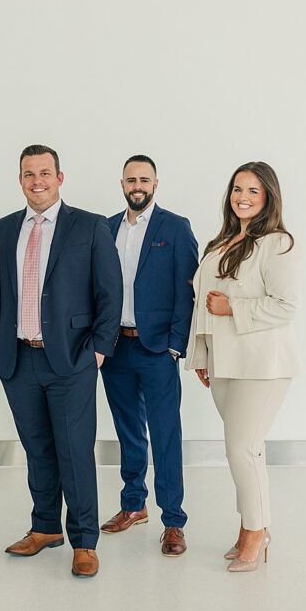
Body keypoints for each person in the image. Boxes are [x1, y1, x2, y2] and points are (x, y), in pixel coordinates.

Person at [0, 144, 122, 578]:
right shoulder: (3, 229)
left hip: (72, 359)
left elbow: (110, 292)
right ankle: (45, 527)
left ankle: (84, 540)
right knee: (37, 447)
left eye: (44, 173)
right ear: (20, 179)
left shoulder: (90, 226)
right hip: (18, 360)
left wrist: (98, 349)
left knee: (75, 451)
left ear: (60, 177)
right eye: (29, 174)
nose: (36, 181)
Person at [185, 161, 301, 573]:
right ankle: (250, 526)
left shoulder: (278, 243)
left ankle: (256, 532)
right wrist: (202, 354)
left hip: (262, 364)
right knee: (248, 450)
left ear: (268, 196)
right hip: (224, 362)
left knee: (241, 449)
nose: (243, 197)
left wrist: (233, 306)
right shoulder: (222, 242)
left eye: (253, 190)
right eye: (237, 188)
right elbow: (203, 304)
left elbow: (286, 306)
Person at [98, 154, 198, 556]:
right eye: (130, 179)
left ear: (155, 184)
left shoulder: (175, 227)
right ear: (121, 184)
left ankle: (173, 521)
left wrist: (176, 345)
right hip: (116, 348)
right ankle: (133, 505)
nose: (137, 186)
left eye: (144, 179)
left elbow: (187, 290)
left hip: (157, 349)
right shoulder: (106, 228)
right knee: (128, 432)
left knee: (165, 434)